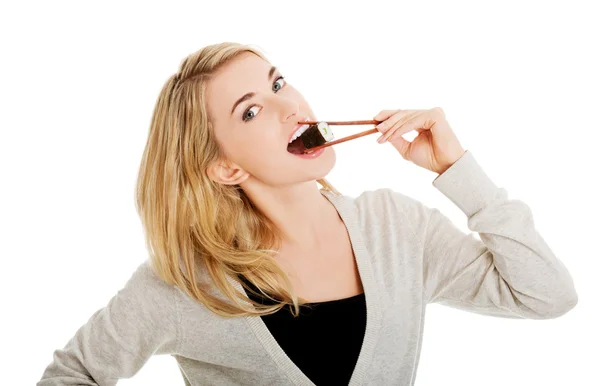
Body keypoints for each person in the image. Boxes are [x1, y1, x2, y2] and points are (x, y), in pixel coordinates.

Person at [37, 42, 578, 386]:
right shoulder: (187, 285)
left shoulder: (397, 229)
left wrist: (458, 170)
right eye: (251, 110)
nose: (288, 107)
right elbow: (70, 376)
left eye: (277, 83)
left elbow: (546, 296)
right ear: (225, 169)